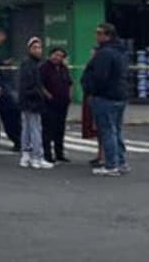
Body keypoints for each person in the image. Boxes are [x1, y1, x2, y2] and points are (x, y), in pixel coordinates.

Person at [81, 23, 129, 177]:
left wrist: (90, 89)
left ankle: (111, 165)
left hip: (105, 96)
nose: (96, 36)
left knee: (108, 131)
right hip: (119, 95)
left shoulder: (105, 53)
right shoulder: (120, 52)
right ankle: (121, 162)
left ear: (107, 35)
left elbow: (100, 76)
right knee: (117, 130)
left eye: (99, 33)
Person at [17, 37, 52, 169]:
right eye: (35, 48)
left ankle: (26, 155)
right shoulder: (30, 64)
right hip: (32, 101)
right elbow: (30, 84)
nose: (38, 50)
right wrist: (39, 94)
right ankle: (37, 156)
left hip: (27, 100)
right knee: (35, 129)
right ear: (29, 49)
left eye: (40, 47)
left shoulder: (31, 63)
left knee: (27, 128)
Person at [40, 46, 73, 163]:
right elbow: (40, 84)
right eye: (56, 55)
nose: (57, 58)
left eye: (60, 56)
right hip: (49, 103)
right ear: (51, 55)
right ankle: (47, 154)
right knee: (48, 129)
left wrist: (70, 95)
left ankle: (60, 153)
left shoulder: (64, 68)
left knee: (60, 129)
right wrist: (47, 94)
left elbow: (70, 83)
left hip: (63, 103)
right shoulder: (45, 67)